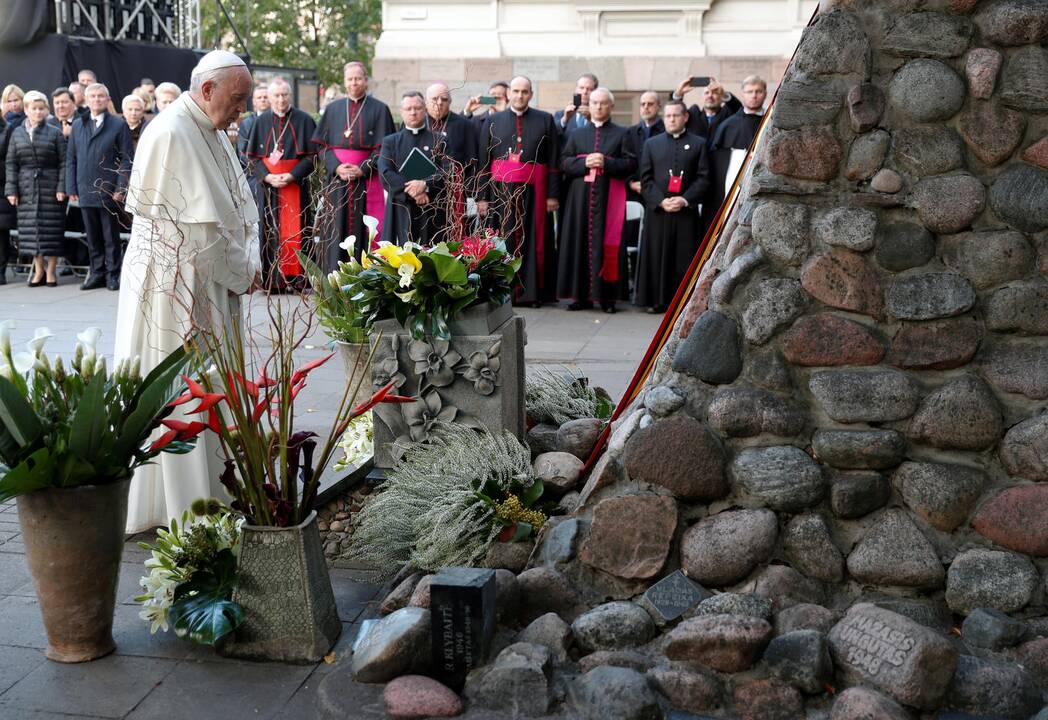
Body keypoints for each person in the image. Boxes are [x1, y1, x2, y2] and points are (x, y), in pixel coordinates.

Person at [115, 50, 261, 533]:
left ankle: (215, 488)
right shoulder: (175, 132)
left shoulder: (208, 126)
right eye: (237, 101)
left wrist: (252, 256)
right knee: (183, 383)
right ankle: (186, 501)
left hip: (206, 276)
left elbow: (239, 203)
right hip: (176, 285)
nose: (242, 111)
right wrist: (246, 272)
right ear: (207, 90)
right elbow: (202, 237)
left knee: (210, 380)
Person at [477, 75, 560, 305]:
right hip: (500, 193)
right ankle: (502, 292)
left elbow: (553, 160)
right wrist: (482, 198)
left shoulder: (545, 120)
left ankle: (531, 293)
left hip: (535, 193)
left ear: (531, 94)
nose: (520, 95)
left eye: (524, 91)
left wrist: (552, 195)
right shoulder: (493, 121)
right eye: (516, 91)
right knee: (502, 240)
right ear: (508, 94)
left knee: (532, 241)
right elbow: (484, 162)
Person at [556, 88, 635, 314]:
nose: (598, 107)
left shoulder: (623, 134)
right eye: (594, 103)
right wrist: (584, 164)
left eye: (603, 103)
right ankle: (579, 297)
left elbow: (631, 164)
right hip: (579, 201)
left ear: (611, 107)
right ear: (588, 106)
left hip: (609, 199)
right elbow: (564, 163)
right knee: (578, 243)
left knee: (607, 245)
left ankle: (607, 298)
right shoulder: (577, 134)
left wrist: (606, 163)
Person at [311, 61, 395, 268]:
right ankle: (333, 275)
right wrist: (336, 167)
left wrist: (363, 168)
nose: (354, 83)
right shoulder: (333, 109)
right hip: (337, 182)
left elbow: (385, 147)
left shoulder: (380, 109)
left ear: (366, 81)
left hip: (366, 181)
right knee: (335, 228)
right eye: (350, 79)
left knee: (364, 227)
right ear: (344, 82)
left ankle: (365, 274)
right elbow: (322, 147)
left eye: (358, 78)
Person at [634, 100, 710, 314]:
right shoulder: (651, 144)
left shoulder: (699, 143)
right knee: (657, 255)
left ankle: (682, 301)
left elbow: (703, 178)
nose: (671, 119)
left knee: (683, 257)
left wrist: (684, 199)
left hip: (685, 212)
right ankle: (655, 301)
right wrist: (661, 201)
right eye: (667, 116)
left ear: (685, 117)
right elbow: (645, 179)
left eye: (676, 115)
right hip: (658, 211)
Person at [243, 77, 316, 288]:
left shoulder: (304, 120)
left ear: (290, 96)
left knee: (299, 230)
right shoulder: (260, 122)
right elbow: (252, 157)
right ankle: (275, 281)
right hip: (269, 188)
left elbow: (313, 155)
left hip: (295, 185)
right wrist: (266, 176)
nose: (281, 100)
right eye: (276, 95)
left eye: (284, 95)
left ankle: (298, 280)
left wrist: (293, 175)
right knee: (271, 231)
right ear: (270, 97)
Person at [66, 83, 134, 291]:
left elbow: (126, 159)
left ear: (107, 100)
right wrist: (71, 188)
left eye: (100, 96)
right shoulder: (78, 124)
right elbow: (71, 158)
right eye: (92, 96)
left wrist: (121, 187)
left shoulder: (117, 124)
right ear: (86, 100)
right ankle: (97, 274)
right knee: (92, 236)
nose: (96, 99)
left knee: (110, 237)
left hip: (108, 190)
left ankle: (113, 274)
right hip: (85, 188)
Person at [5, 91, 67, 287]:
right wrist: (11, 189)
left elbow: (64, 162)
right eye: (34, 108)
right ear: (26, 110)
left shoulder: (54, 132)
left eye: (41, 108)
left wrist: (61, 186)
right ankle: (38, 270)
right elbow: (11, 163)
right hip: (26, 187)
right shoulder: (17, 133)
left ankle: (51, 271)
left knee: (53, 230)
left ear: (46, 110)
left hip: (51, 186)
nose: (38, 112)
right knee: (31, 231)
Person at [378, 91, 444, 246]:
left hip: (432, 208)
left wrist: (425, 185)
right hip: (401, 207)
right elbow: (385, 172)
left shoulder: (440, 140)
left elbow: (448, 171)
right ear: (401, 112)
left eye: (417, 108)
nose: (413, 112)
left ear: (425, 109)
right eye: (408, 109)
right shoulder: (390, 142)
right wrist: (414, 191)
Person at [425, 82, 477, 238]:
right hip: (423, 190)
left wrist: (471, 196)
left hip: (453, 191)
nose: (439, 102)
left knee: (451, 235)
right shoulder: (418, 123)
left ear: (450, 101)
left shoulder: (464, 125)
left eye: (444, 99)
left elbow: (472, 161)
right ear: (426, 101)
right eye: (435, 99)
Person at [675, 78, 742, 144]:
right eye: (707, 93)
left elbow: (741, 111)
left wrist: (724, 94)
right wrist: (678, 95)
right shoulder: (693, 114)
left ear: (721, 98)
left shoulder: (728, 113)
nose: (710, 95)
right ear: (702, 98)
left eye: (715, 93)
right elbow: (674, 113)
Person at [0, 116, 17, 283]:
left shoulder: (7, 129)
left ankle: (1, 270)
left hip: (2, 186)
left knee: (1, 231)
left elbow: (11, 160)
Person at [237, 83, 269, 159]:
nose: (263, 100)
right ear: (254, 101)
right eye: (259, 97)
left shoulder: (279, 121)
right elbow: (242, 151)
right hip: (253, 167)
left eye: (265, 97)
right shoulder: (246, 123)